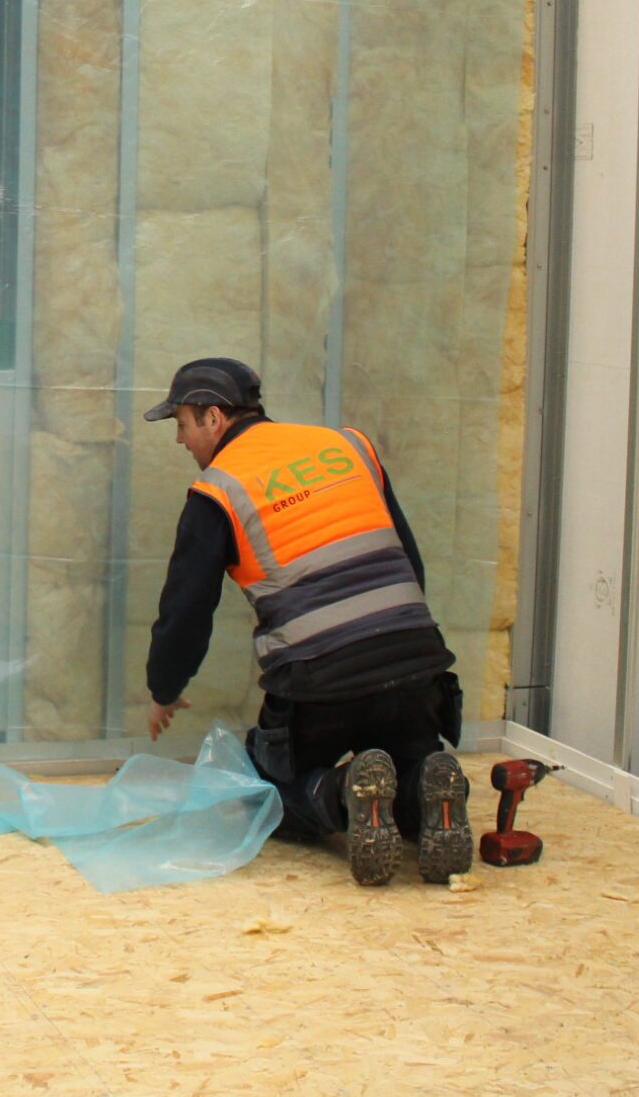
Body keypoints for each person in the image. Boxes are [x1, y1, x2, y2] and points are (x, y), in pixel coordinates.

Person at [137, 356, 471, 887]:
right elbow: (410, 561)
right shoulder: (349, 447)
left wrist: (163, 690)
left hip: (322, 684)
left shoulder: (218, 491)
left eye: (181, 424)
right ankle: (423, 788)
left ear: (214, 418)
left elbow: (186, 613)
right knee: (409, 754)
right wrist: (395, 647)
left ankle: (342, 797)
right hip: (415, 665)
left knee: (261, 793)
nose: (181, 441)